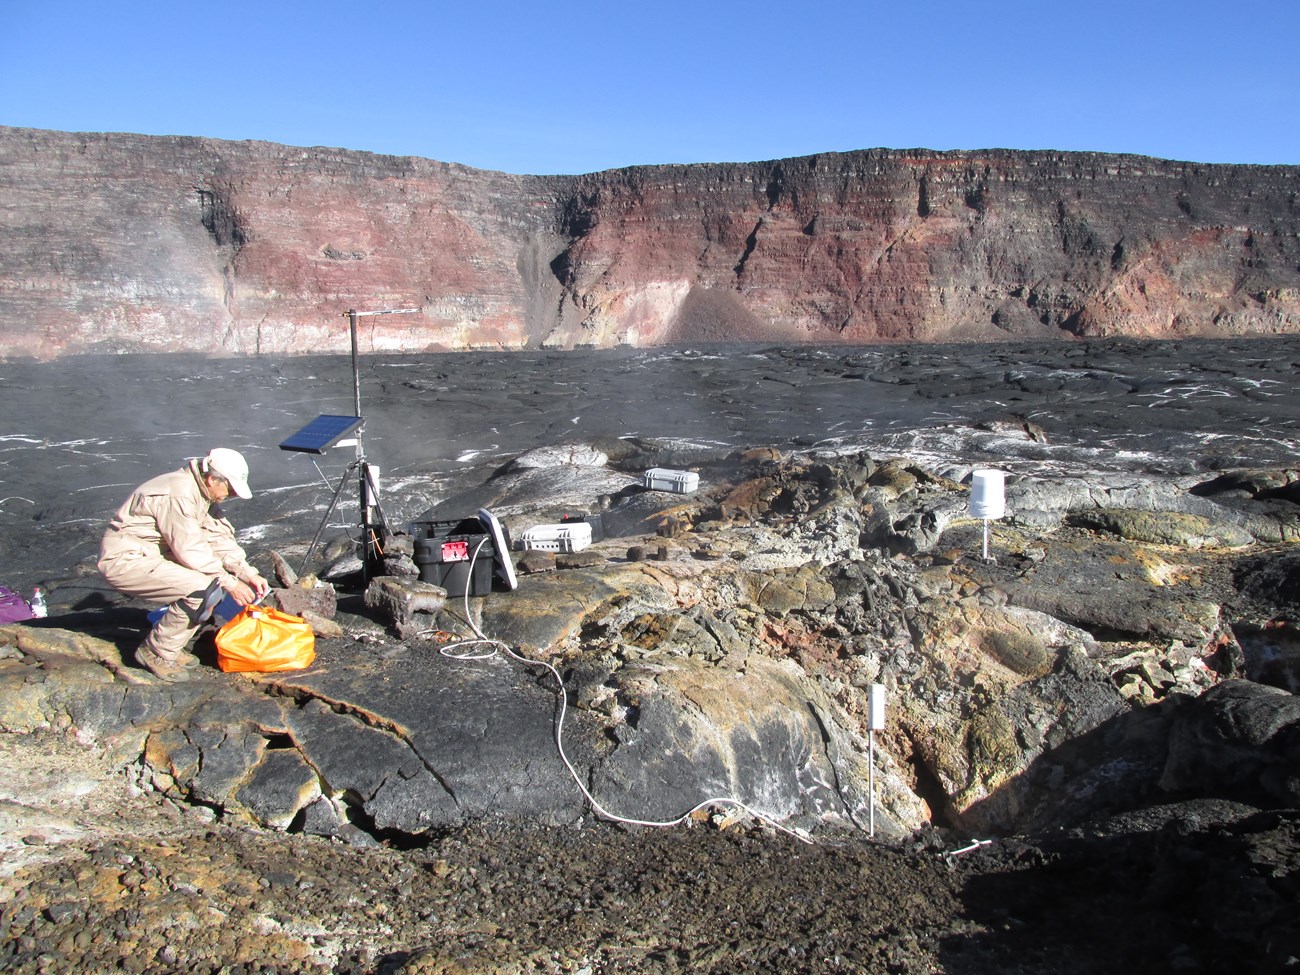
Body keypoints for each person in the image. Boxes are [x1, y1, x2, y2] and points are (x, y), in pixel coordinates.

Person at [98, 448, 270, 681]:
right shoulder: (179, 493)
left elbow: (218, 538)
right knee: (204, 589)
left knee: (210, 586)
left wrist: (247, 573)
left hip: (154, 557)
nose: (231, 495)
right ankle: (157, 652)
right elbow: (191, 550)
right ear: (212, 479)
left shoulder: (203, 494)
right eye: (229, 488)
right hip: (127, 560)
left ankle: (169, 647)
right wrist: (231, 582)